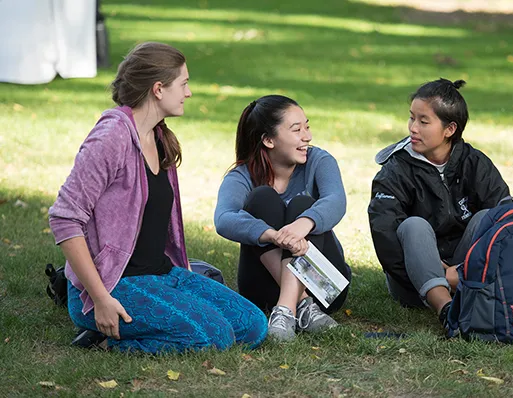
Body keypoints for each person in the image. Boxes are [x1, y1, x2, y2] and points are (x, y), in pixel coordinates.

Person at [48, 42, 267, 353]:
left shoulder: (159, 135)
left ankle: (138, 329)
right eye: (184, 83)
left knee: (253, 325)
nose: (189, 93)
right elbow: (64, 218)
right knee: (214, 337)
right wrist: (100, 298)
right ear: (158, 89)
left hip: (161, 274)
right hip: (115, 283)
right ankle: (107, 340)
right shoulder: (111, 137)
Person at [367, 78, 510, 329]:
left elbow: (506, 220)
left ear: (449, 129)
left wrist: (461, 272)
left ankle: (462, 289)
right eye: (412, 118)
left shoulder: (474, 162)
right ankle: (447, 310)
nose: (413, 128)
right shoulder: (396, 168)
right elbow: (385, 234)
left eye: (424, 121)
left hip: (464, 273)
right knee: (414, 226)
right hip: (413, 283)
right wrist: (434, 275)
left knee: (488, 216)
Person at [214, 95, 352, 341]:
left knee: (302, 204)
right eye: (296, 130)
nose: (307, 136)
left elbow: (336, 200)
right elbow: (224, 218)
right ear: (268, 140)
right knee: (262, 199)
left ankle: (286, 312)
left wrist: (303, 224)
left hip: (324, 288)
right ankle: (302, 308)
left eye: (307, 126)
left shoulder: (319, 161)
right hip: (263, 290)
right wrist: (273, 235)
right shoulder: (241, 176)